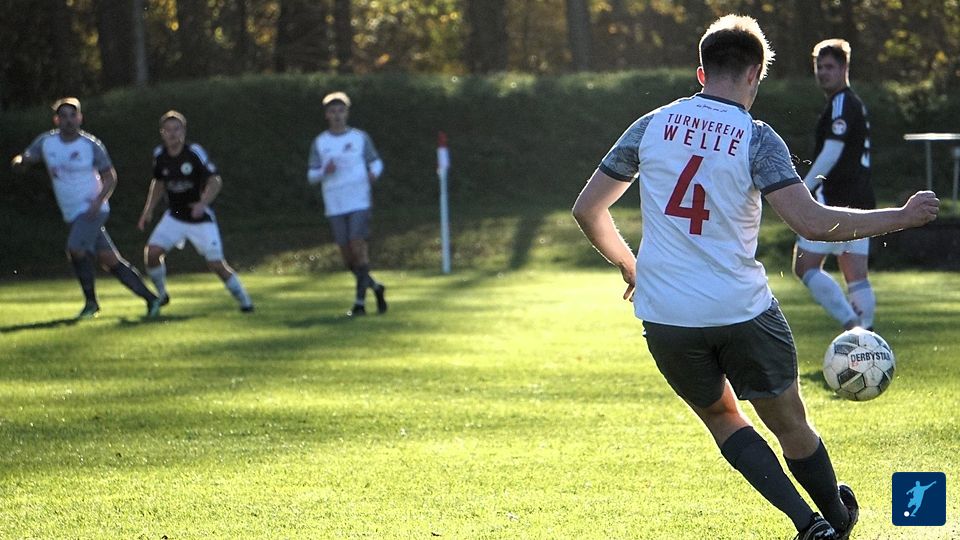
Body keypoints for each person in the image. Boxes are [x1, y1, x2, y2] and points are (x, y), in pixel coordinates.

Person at [572, 15, 938, 540]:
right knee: (791, 425)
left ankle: (808, 524)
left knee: (724, 419)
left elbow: (588, 209)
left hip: (666, 314)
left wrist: (631, 266)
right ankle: (837, 518)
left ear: (701, 73)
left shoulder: (651, 125)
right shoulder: (754, 136)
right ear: (753, 75)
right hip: (742, 309)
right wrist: (900, 216)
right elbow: (813, 223)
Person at [10, 97, 162, 319]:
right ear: (56, 120)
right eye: (63, 116)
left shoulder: (90, 145)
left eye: (73, 115)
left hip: (92, 209)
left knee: (75, 248)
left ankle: (91, 303)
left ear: (80, 118)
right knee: (110, 260)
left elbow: (110, 177)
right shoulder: (46, 142)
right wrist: (19, 162)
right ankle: (152, 299)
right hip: (71, 212)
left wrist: (98, 201)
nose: (69, 120)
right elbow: (26, 157)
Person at [793, 39, 876, 330]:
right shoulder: (854, 103)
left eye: (829, 67)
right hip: (861, 200)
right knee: (856, 275)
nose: (822, 73)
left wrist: (804, 188)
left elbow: (832, 151)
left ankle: (852, 325)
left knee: (804, 266)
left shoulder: (841, 102)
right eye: (819, 67)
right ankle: (867, 338)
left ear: (844, 69)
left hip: (836, 199)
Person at [137, 110, 254, 313]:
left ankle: (246, 303)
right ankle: (162, 295)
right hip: (174, 216)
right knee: (152, 253)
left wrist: (202, 203)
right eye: (168, 130)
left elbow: (215, 180)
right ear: (162, 133)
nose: (172, 134)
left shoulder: (194, 153)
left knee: (216, 264)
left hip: (199, 218)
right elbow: (158, 183)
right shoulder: (160, 155)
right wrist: (148, 210)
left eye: (177, 129)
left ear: (183, 131)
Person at [307, 91, 387, 317]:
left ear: (347, 113)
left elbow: (376, 162)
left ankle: (359, 304)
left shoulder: (359, 138)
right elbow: (311, 175)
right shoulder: (321, 142)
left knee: (357, 245)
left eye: (341, 111)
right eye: (333, 111)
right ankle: (375, 287)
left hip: (359, 200)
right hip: (335, 202)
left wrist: (374, 173)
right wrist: (325, 171)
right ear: (326, 115)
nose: (337, 115)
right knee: (348, 256)